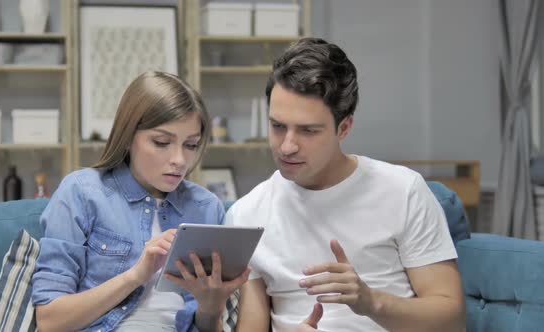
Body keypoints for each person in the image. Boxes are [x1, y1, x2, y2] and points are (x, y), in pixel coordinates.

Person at [226, 38, 466, 331]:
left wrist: (370, 302)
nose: (287, 146)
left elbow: (451, 319)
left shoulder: (403, 190)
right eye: (277, 126)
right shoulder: (246, 215)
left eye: (308, 131)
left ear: (344, 127)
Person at [31, 70, 249, 332]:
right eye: (161, 142)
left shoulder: (206, 207)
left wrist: (211, 305)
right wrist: (136, 275)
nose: (180, 160)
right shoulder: (82, 192)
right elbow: (50, 321)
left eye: (191, 145)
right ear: (128, 136)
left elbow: (207, 326)